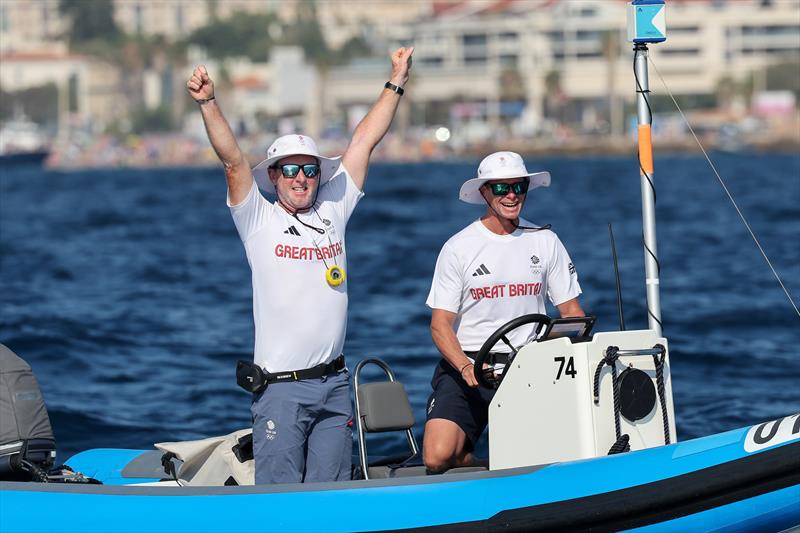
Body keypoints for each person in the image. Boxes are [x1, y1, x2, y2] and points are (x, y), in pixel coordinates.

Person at [186, 47, 414, 484]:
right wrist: (208, 103)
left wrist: (396, 80)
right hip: (280, 390)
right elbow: (233, 161)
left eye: (309, 169)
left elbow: (364, 139)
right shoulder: (258, 219)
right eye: (289, 169)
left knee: (330, 502)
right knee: (280, 507)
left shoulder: (334, 208)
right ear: (272, 176)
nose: (300, 177)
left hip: (333, 386)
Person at [422, 151, 584, 473]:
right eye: (501, 188)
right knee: (436, 457)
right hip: (468, 364)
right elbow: (440, 325)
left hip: (528, 366)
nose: (511, 195)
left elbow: (571, 311)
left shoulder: (546, 240)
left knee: (537, 452)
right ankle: (475, 465)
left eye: (518, 186)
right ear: (484, 192)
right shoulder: (459, 247)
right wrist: (466, 368)